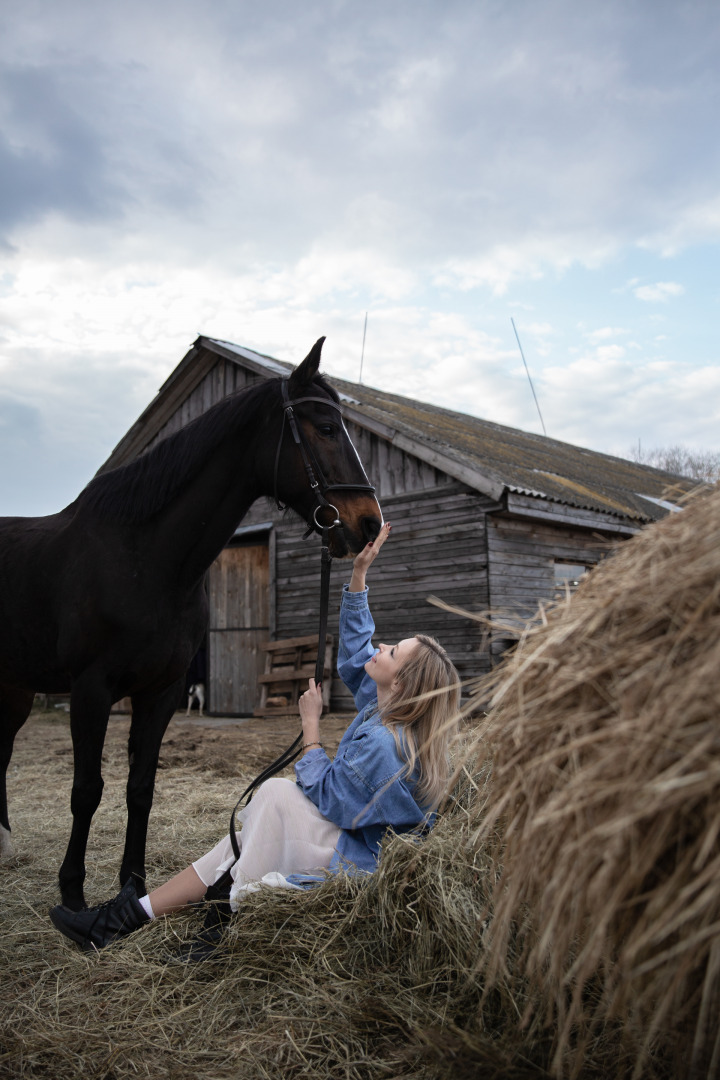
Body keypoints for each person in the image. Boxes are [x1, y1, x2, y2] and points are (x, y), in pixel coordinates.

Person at [49, 523, 460, 958]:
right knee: (246, 833)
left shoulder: (383, 743)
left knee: (277, 796)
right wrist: (359, 574)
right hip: (348, 842)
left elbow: (330, 798)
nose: (382, 646)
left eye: (393, 652)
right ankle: (126, 918)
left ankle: (221, 925)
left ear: (400, 684)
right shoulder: (385, 710)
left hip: (355, 862)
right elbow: (358, 651)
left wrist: (312, 725)